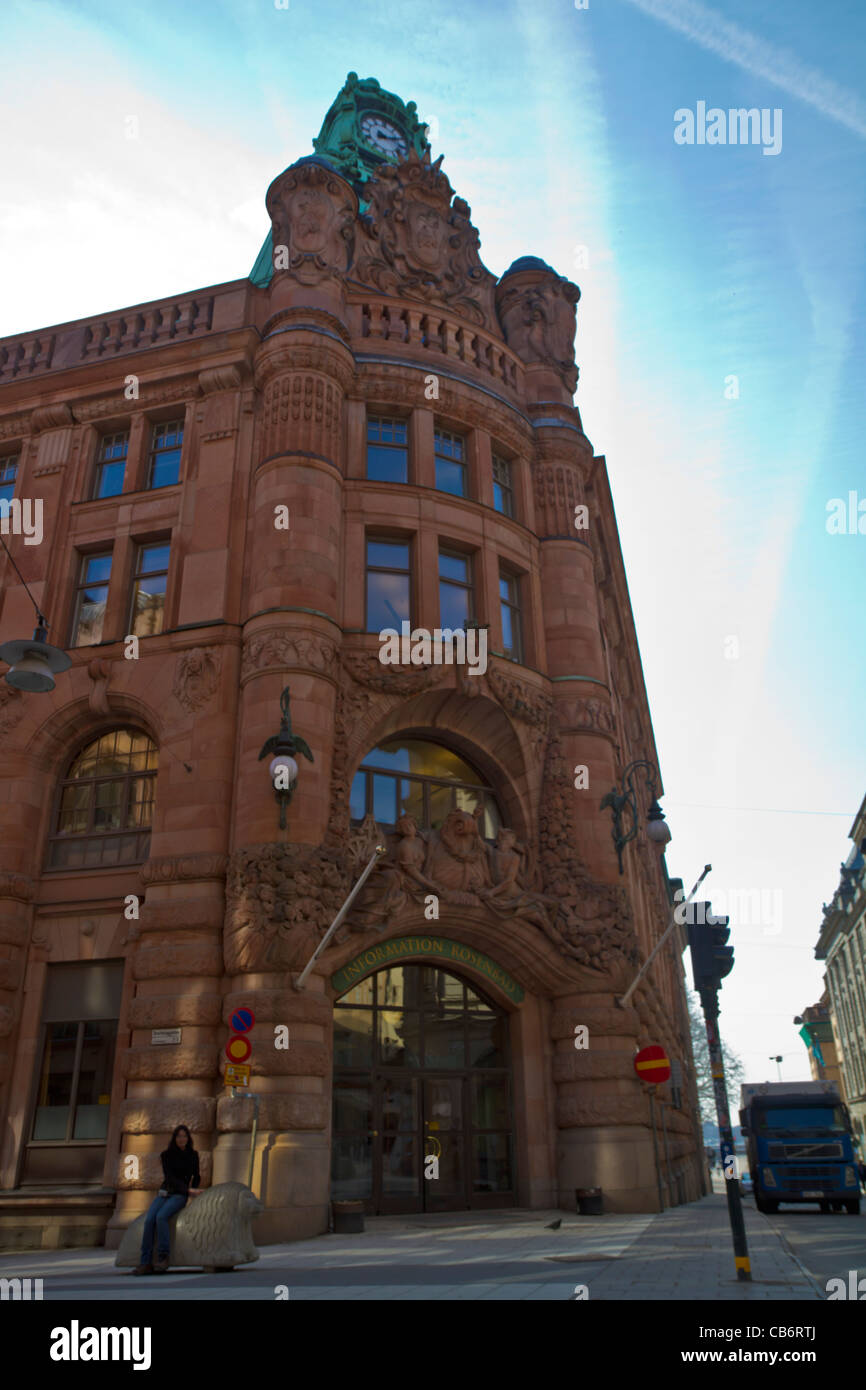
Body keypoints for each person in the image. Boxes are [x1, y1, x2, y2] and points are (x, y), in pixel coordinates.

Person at [133, 1124, 202, 1275]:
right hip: (166, 1192)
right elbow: (169, 1177)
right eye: (179, 1136)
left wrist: (192, 1191)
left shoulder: (193, 1155)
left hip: (179, 1195)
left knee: (161, 1217)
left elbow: (196, 1176)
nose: (182, 1139)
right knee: (150, 1219)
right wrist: (188, 1189)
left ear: (188, 1138)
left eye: (184, 1136)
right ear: (174, 1138)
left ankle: (163, 1257)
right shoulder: (167, 1155)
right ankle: (145, 1262)